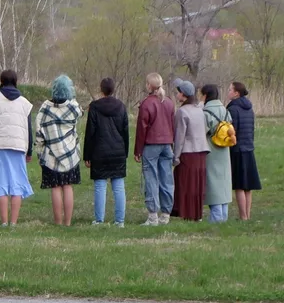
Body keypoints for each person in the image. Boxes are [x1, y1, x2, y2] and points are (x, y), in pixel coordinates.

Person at [0, 69, 34, 227]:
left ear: (1, 81)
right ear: (15, 81)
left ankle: (4, 221)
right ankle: (13, 222)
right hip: (19, 145)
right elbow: (28, 129)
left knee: (2, 183)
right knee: (17, 184)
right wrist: (29, 151)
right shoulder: (25, 103)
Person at [35, 75, 82, 227]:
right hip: (70, 154)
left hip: (51, 156)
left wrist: (39, 150)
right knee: (68, 186)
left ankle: (58, 222)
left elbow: (39, 132)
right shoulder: (73, 107)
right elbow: (80, 113)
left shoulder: (45, 108)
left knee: (55, 188)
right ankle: (67, 223)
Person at [83, 77, 129, 227]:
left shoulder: (94, 107)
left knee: (100, 186)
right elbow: (125, 131)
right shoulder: (121, 106)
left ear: (101, 89)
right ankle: (120, 221)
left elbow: (90, 132)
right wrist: (125, 152)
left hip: (99, 151)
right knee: (118, 186)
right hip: (118, 151)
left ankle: (99, 220)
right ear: (113, 89)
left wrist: (87, 155)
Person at [134, 73, 176, 225]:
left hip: (151, 144)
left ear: (148, 85)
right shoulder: (169, 103)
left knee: (151, 178)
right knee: (167, 179)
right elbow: (173, 125)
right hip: (167, 144)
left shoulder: (146, 104)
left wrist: (138, 150)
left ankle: (153, 216)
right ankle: (165, 214)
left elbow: (141, 129)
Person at [173, 78, 208, 222]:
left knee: (185, 183)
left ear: (183, 95)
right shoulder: (199, 110)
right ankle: (196, 213)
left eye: (178, 92)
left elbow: (179, 137)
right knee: (197, 183)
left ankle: (187, 212)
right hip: (201, 152)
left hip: (188, 153)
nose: (176, 95)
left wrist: (175, 156)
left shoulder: (182, 112)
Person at [200, 83, 233, 223]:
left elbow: (201, 133)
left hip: (211, 153)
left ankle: (216, 218)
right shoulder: (226, 111)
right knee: (223, 184)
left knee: (213, 185)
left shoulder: (206, 113)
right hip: (224, 152)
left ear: (205, 96)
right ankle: (224, 216)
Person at [229, 81, 262, 220]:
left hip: (238, 150)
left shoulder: (233, 109)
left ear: (237, 93)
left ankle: (243, 216)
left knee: (239, 185)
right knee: (248, 186)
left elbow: (231, 131)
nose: (228, 92)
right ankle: (247, 215)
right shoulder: (249, 108)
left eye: (230, 90)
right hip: (249, 147)